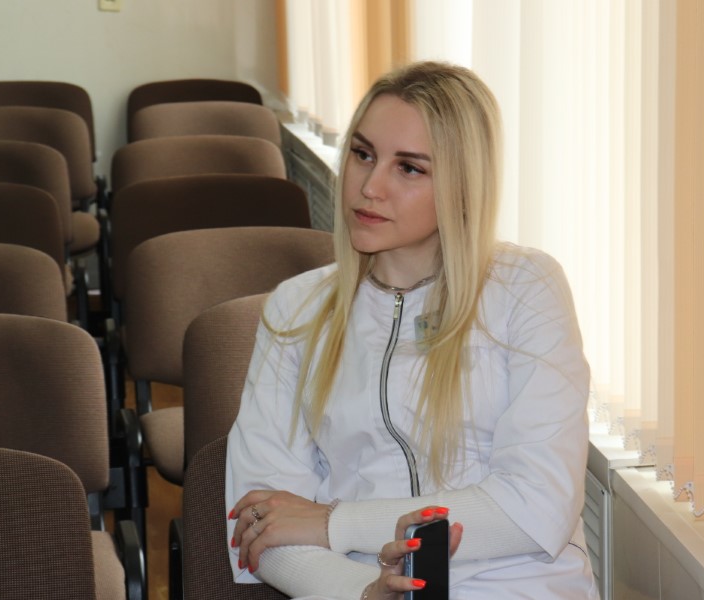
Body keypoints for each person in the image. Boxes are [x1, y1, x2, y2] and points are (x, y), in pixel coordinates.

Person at [226, 60, 599, 599]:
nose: (369, 187)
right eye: (363, 154)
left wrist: (334, 522)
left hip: (516, 586)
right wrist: (365, 593)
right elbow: (262, 524)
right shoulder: (296, 310)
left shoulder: (524, 288)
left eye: (409, 168)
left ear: (463, 186)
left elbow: (536, 507)